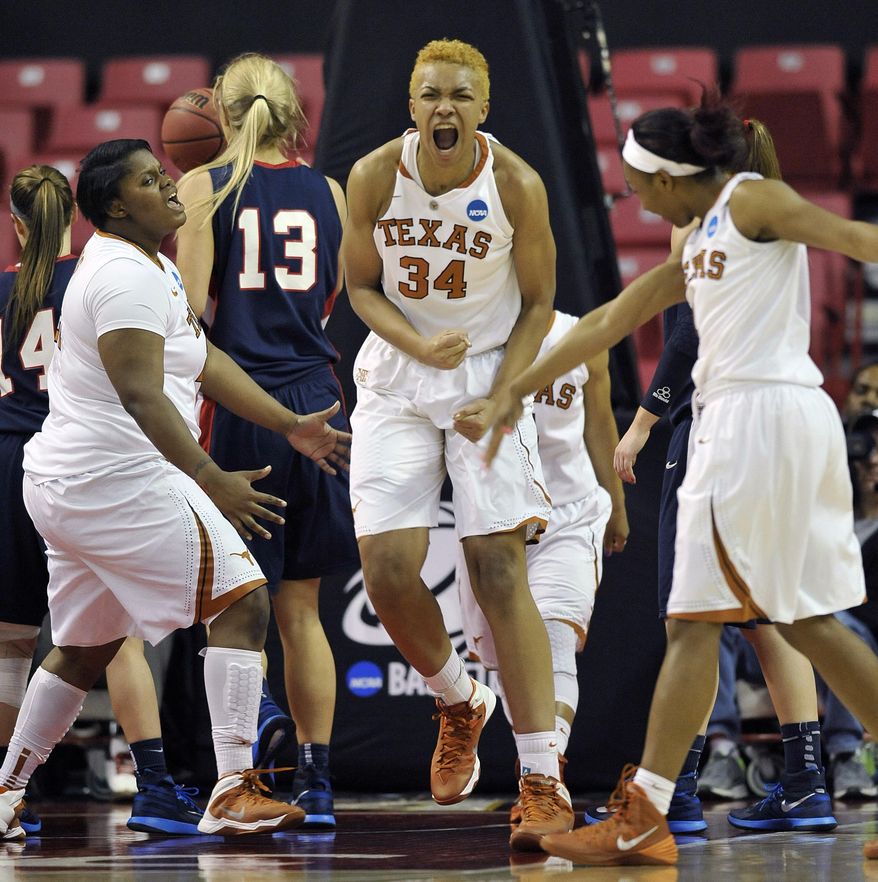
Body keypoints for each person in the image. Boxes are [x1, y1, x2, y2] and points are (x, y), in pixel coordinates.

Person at [485, 93, 878, 865]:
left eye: (638, 182)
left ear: (668, 177)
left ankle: (646, 813)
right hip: (751, 425)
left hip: (761, 419)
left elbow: (851, 236)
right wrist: (510, 391)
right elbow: (607, 323)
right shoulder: (695, 240)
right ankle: (649, 812)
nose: (633, 195)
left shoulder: (752, 200)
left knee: (726, 621)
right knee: (776, 622)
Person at [0, 140, 351, 841]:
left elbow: (204, 359)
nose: (171, 188)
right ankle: (231, 784)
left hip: (66, 481)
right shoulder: (124, 277)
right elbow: (141, 395)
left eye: (164, 175)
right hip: (113, 480)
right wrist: (211, 476)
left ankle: (6, 792)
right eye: (151, 181)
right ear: (114, 206)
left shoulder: (146, 264)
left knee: (82, 648)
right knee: (246, 598)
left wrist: (289, 426)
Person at [341, 38, 573, 851]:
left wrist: (507, 392)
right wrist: (412, 340)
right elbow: (362, 286)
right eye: (432, 94)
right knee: (387, 570)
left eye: (460, 96)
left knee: (498, 566)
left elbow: (542, 304)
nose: (445, 108)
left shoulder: (515, 183)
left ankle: (542, 777)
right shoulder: (374, 175)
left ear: (483, 108)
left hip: (487, 376)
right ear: (412, 105)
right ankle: (457, 701)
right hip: (401, 376)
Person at [585, 119, 838, 837]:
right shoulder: (777, 224)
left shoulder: (711, 227)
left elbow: (685, 336)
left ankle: (675, 790)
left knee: (691, 618)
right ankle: (804, 781)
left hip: (723, 425)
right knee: (776, 620)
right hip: (787, 423)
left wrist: (642, 421)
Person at [175, 52, 357, 828]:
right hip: (319, 403)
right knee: (303, 610)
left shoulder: (200, 186)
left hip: (241, 405)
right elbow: (332, 297)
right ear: (294, 113)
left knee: (234, 609)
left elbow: (187, 316)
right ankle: (316, 781)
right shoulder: (332, 192)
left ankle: (242, 772)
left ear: (219, 107)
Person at [0, 165, 204, 837]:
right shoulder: (95, 276)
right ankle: (152, 783)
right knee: (115, 641)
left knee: (11, 646)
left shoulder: (5, 287)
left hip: (9, 467)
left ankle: (8, 796)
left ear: (17, 224)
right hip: (81, 467)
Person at [457, 309, 629, 821]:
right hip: (496, 516)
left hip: (571, 514)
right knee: (511, 658)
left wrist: (616, 502)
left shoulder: (580, 334)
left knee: (552, 636)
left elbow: (599, 420)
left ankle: (543, 775)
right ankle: (539, 769)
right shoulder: (469, 328)